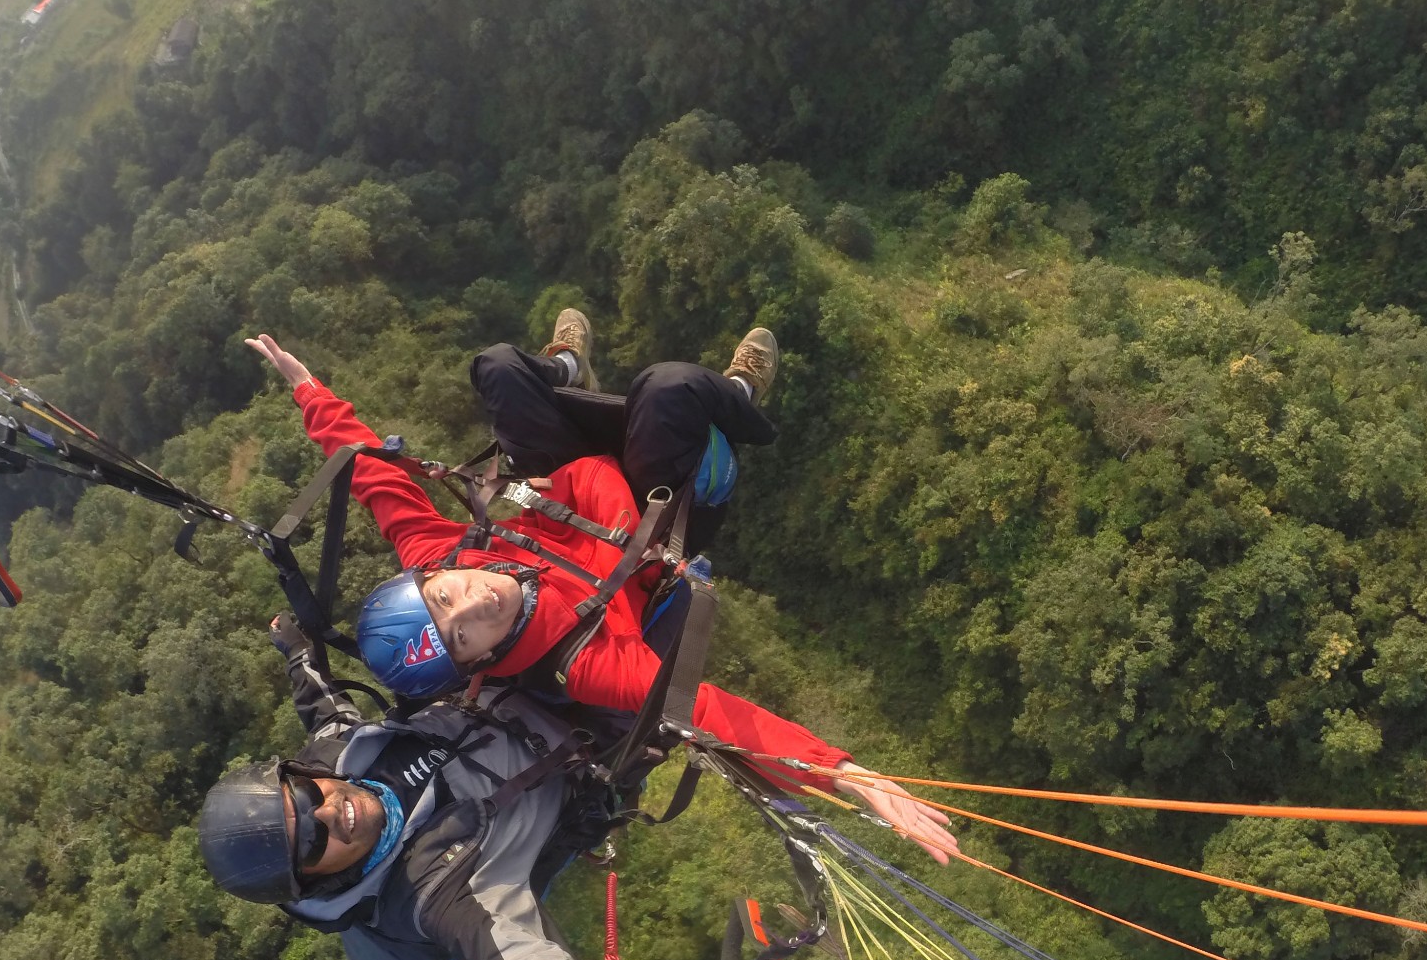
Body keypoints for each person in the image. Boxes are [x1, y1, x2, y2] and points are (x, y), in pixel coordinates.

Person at [244, 312, 959, 865]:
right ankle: (740, 394)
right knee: (674, 385)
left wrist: (307, 388)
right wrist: (845, 775)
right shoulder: (583, 660)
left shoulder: (441, 549)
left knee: (495, 366)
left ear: (429, 576)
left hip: (562, 476)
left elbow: (370, 474)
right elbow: (709, 714)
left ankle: (563, 365)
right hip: (644, 514)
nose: (473, 601)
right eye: (465, 634)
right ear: (478, 664)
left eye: (445, 596)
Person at [199, 613, 643, 960]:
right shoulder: (429, 895)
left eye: (306, 799)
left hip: (518, 684)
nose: (327, 814)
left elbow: (324, 711)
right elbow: (506, 955)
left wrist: (295, 651)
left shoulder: (336, 760)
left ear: (301, 775)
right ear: (315, 880)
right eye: (310, 842)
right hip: (596, 742)